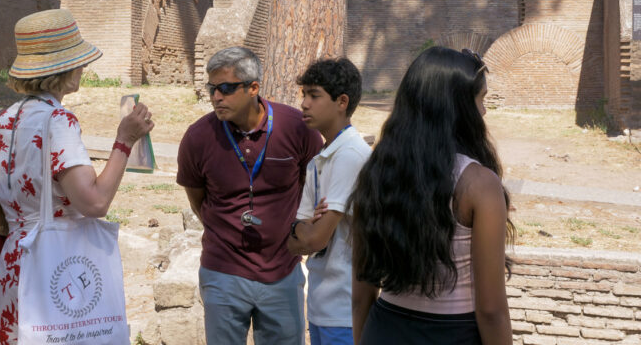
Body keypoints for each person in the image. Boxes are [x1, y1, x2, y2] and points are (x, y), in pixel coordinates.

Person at [0, 9, 154, 344]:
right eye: (78, 60)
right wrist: (125, 141)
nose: (83, 67)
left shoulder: (1, 119)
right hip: (55, 265)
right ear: (61, 68)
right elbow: (94, 202)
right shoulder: (58, 120)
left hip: (13, 263)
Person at [348, 47, 515, 345]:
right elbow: (490, 310)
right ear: (459, 107)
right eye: (481, 99)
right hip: (453, 334)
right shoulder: (479, 185)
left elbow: (361, 297)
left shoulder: (375, 173)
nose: (485, 111)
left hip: (383, 328)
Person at [177, 46, 323, 345]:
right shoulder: (198, 137)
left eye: (227, 88)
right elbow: (198, 200)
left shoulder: (297, 128)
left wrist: (299, 233)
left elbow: (314, 184)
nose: (216, 96)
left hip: (283, 271)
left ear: (254, 88)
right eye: (212, 88)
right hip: (223, 272)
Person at [287, 58, 371, 345]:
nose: (304, 104)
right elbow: (294, 240)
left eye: (314, 95)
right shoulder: (319, 159)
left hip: (345, 312)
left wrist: (306, 230)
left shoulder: (350, 156)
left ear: (342, 102)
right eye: (303, 95)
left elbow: (313, 241)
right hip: (323, 307)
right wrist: (303, 229)